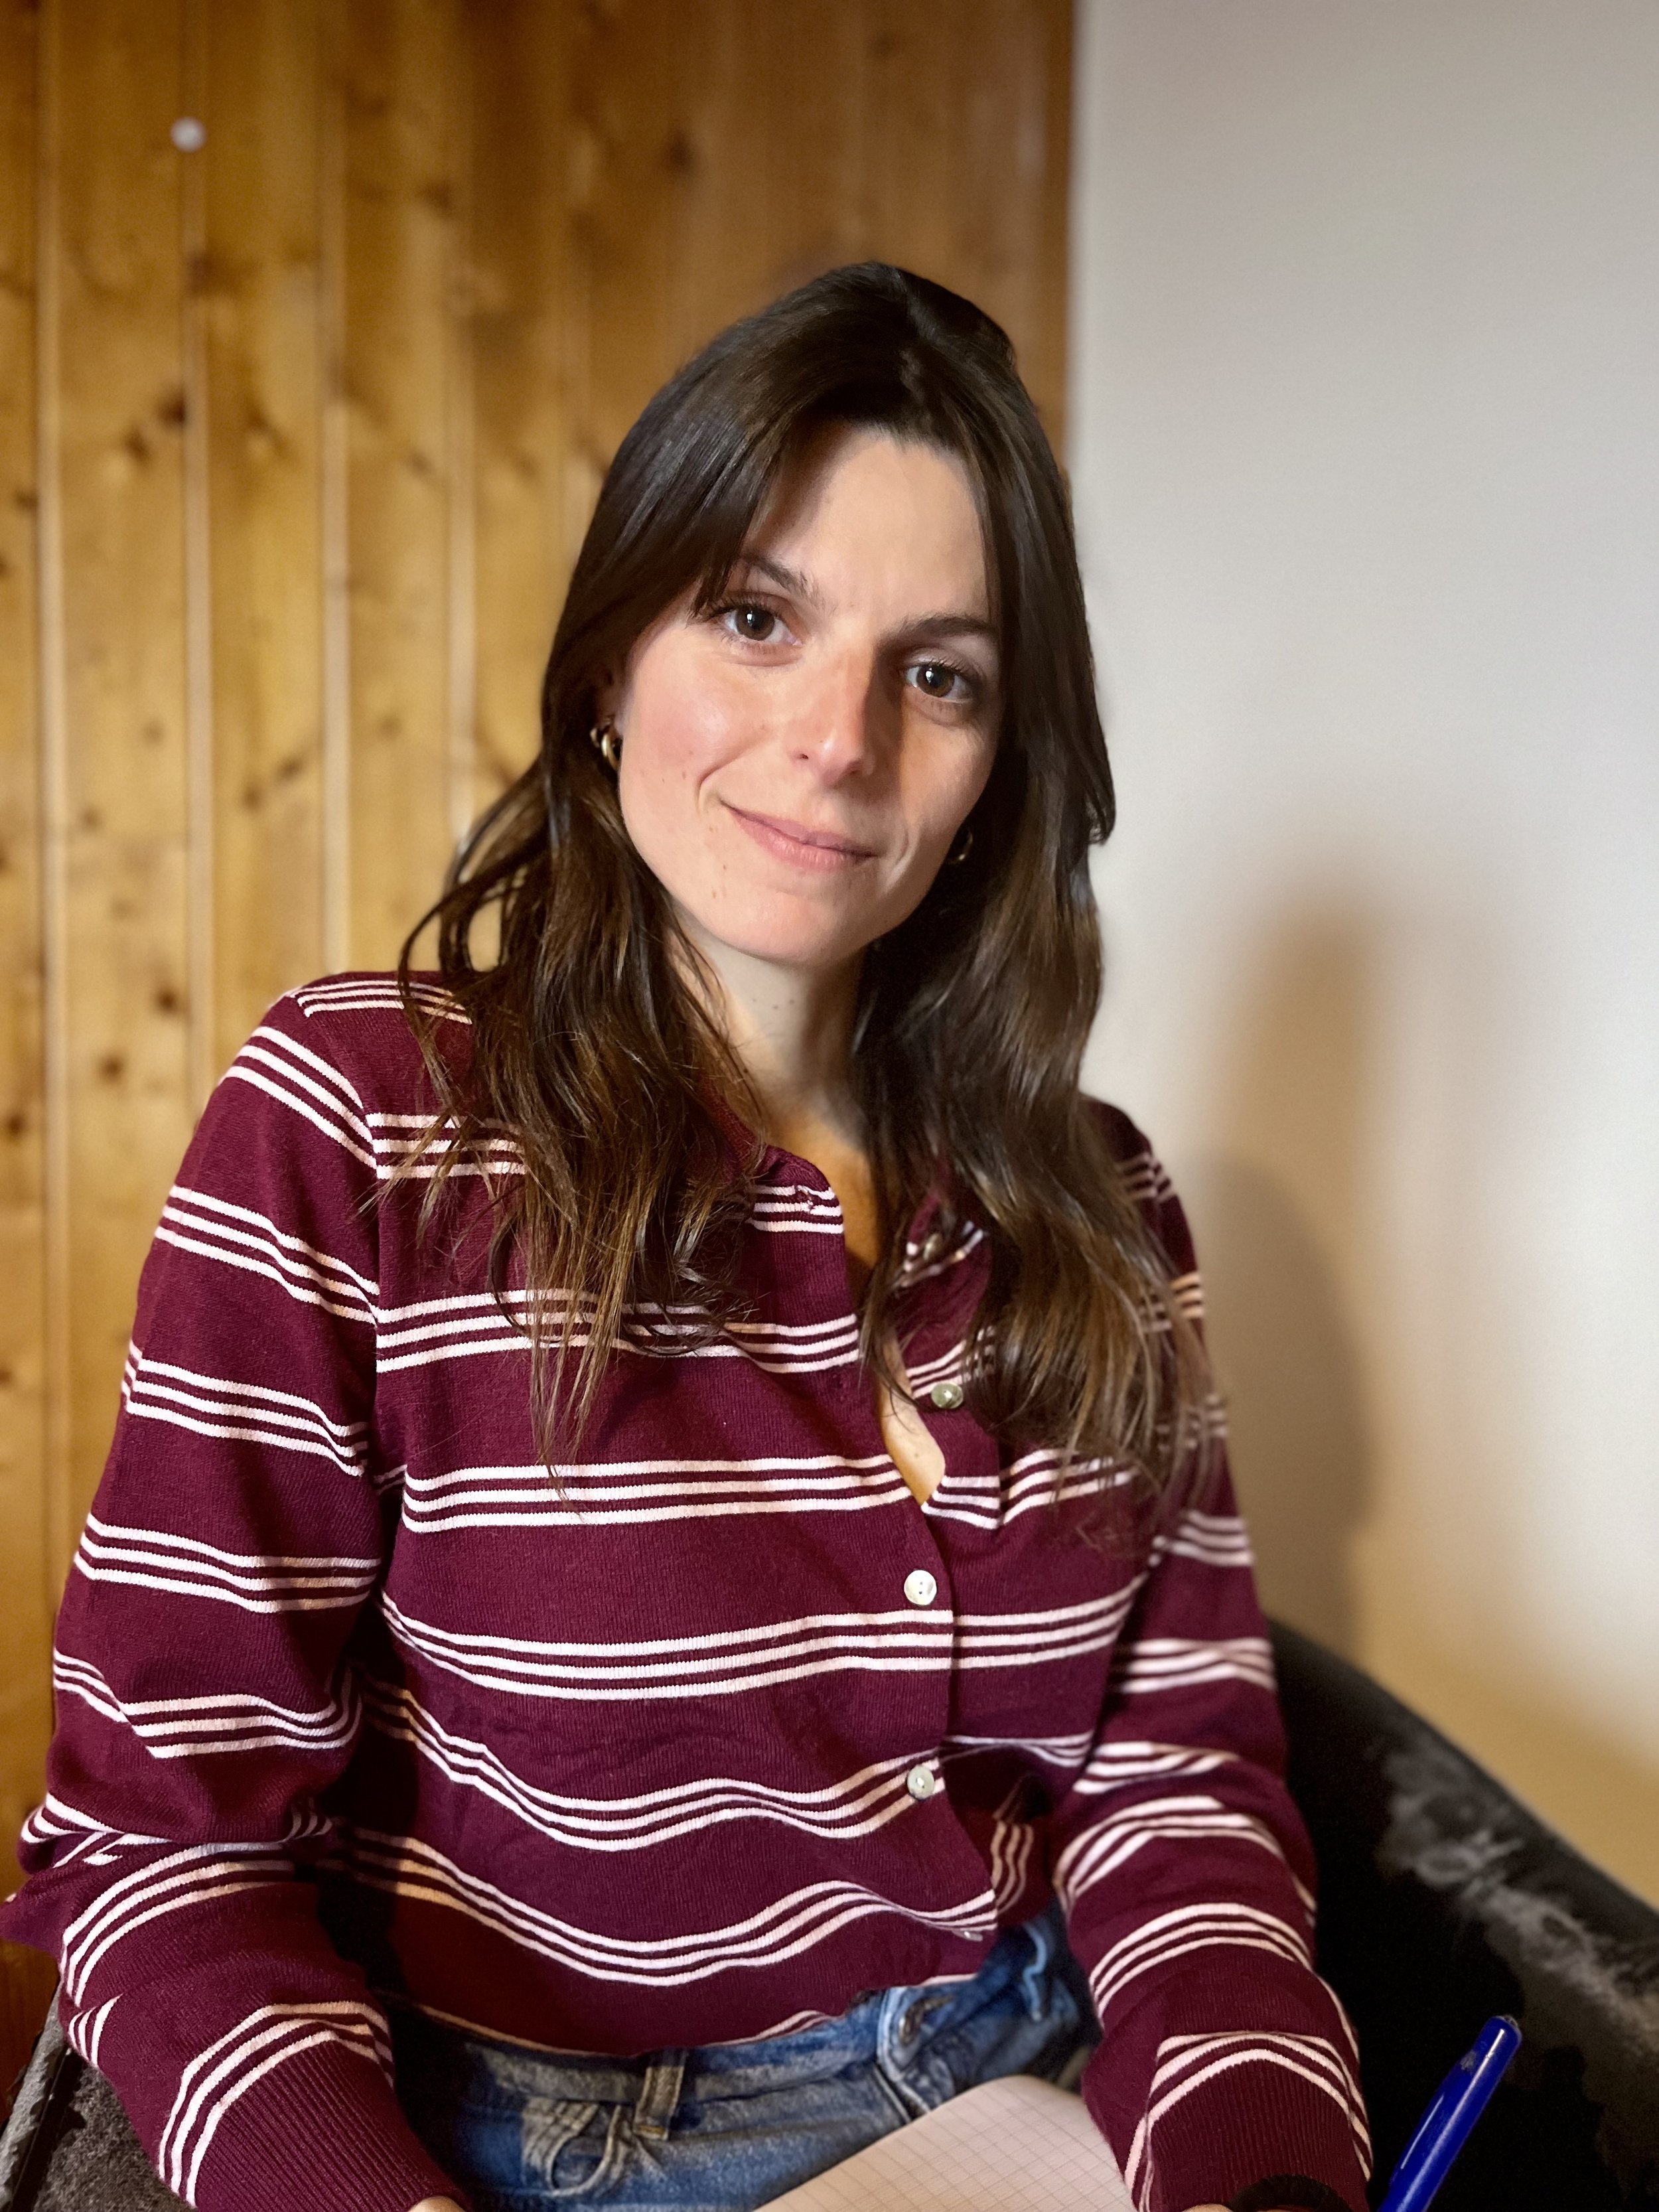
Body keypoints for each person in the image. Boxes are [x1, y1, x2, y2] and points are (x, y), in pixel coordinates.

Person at [0, 265, 1368, 2212]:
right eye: (754, 616)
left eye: (940, 673)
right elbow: (163, 1843)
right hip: (532, 2147)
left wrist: (1258, 2168)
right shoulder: (361, 1123)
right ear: (610, 664)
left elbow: (1181, 1782)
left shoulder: (1105, 1199)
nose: (838, 738)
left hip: (1032, 2093)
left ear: (999, 768)